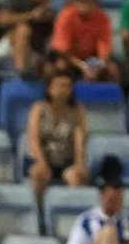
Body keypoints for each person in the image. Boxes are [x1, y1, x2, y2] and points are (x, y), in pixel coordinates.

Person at [25, 71, 89, 201]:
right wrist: (43, 163)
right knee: (39, 174)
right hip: (42, 159)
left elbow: (80, 142)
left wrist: (79, 164)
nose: (64, 90)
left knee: (76, 177)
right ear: (49, 88)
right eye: (59, 85)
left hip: (66, 161)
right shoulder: (38, 108)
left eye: (67, 86)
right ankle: (40, 213)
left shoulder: (78, 110)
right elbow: (34, 140)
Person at [50, 0, 120, 83]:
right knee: (60, 66)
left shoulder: (102, 18)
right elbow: (63, 50)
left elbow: (104, 49)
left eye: (88, 0)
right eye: (81, 0)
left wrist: (96, 66)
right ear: (74, 1)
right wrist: (82, 65)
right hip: (70, 58)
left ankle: (115, 97)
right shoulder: (65, 16)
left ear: (95, 2)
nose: (84, 3)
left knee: (112, 70)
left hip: (92, 58)